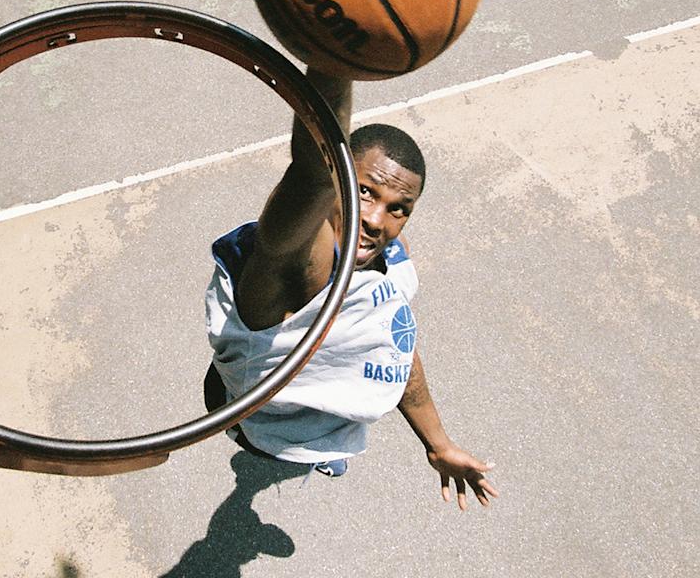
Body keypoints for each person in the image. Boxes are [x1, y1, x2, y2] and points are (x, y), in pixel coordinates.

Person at [204, 67, 497, 510]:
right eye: (364, 191)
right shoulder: (296, 264)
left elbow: (395, 341)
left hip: (316, 412)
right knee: (281, 455)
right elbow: (312, 172)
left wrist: (436, 442)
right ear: (338, 178)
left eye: (399, 208)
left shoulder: (388, 259)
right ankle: (304, 454)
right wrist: (333, 64)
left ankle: (328, 441)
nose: (378, 220)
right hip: (266, 428)